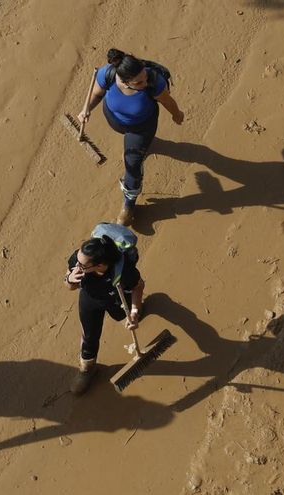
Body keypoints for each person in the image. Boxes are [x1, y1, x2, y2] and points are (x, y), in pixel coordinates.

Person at [77, 48, 185, 226]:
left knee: (132, 165)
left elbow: (167, 101)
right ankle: (140, 149)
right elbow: (96, 93)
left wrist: (176, 114)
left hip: (141, 127)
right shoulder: (108, 74)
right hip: (115, 119)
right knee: (130, 144)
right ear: (125, 82)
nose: (145, 82)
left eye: (144, 75)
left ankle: (128, 205)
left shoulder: (153, 83)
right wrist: (86, 108)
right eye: (139, 82)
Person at [64, 236, 144, 395]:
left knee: (130, 320)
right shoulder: (79, 260)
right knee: (89, 336)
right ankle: (87, 369)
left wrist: (134, 311)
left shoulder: (125, 271)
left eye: (82, 266)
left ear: (100, 265)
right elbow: (68, 285)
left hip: (116, 300)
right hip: (90, 301)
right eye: (77, 262)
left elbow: (138, 286)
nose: (77, 267)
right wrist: (70, 279)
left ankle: (139, 311)